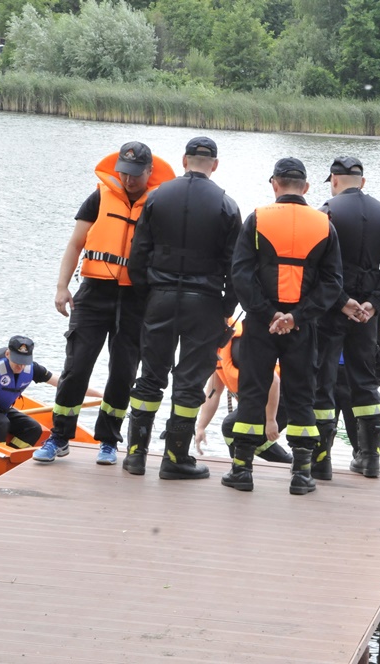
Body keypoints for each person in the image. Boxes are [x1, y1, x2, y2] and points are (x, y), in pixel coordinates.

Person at [34, 142, 175, 464]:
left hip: (137, 298)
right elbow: (75, 244)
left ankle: (109, 440)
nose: (128, 180)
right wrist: (61, 287)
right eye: (124, 174)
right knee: (76, 367)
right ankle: (59, 437)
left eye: (136, 175)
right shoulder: (99, 197)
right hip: (94, 293)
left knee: (124, 372)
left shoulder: (159, 205)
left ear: (150, 172)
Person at [123, 136, 242, 479]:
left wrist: (149, 295)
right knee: (190, 383)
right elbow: (234, 267)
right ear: (215, 165)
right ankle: (175, 458)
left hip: (159, 298)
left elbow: (138, 255)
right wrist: (226, 308)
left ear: (183, 160)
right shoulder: (226, 204)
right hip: (204, 302)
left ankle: (135, 455)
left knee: (150, 376)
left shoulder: (157, 197)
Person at [224, 157, 343, 495]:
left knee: (252, 393)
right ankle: (301, 475)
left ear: (274, 184)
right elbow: (332, 282)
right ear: (305, 188)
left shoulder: (257, 219)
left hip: (262, 326)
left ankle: (242, 471)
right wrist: (297, 316)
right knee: (303, 394)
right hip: (302, 328)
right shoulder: (324, 225)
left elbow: (241, 274)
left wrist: (267, 314)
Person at [313, 156, 380, 480]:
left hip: (331, 311)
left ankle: (320, 462)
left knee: (322, 383)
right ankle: (370, 461)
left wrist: (342, 302)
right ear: (363, 182)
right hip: (366, 317)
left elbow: (313, 268)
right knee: (365, 384)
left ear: (334, 181)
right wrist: (372, 304)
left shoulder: (326, 212)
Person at [194, 318, 292, 464]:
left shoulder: (237, 346)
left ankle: (241, 469)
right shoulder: (219, 348)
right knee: (243, 434)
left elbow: (274, 381)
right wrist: (201, 427)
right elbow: (214, 392)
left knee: (232, 427)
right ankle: (286, 462)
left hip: (280, 397)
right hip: (257, 400)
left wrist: (271, 420)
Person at [335, 307, 380, 452]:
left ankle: (366, 459)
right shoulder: (330, 298)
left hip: (356, 379)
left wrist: (371, 382)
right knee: (322, 426)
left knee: (360, 439)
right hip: (327, 376)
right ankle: (319, 464)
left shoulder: (376, 306)